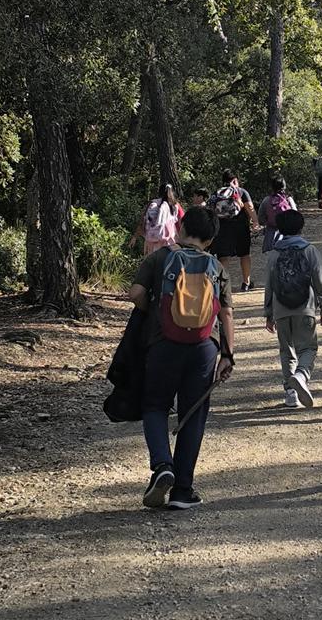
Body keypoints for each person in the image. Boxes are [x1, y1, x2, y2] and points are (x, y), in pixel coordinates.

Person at [128, 205, 235, 510]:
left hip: (163, 344)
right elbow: (226, 312)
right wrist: (228, 354)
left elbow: (135, 293)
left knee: (155, 405)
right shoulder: (217, 268)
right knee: (193, 413)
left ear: (181, 227)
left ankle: (163, 465)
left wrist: (155, 316)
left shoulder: (160, 257)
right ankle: (182, 491)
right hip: (204, 346)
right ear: (211, 239)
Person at [264, 210, 322, 409]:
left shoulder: (275, 253)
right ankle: (301, 374)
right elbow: (319, 279)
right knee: (308, 347)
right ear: (301, 227)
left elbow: (269, 284)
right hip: (305, 307)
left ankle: (290, 393)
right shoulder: (309, 250)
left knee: (286, 350)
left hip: (281, 308)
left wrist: (268, 313)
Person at [209, 171, 260, 292]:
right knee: (244, 254)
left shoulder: (217, 193)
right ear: (235, 180)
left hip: (222, 228)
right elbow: (250, 208)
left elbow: (211, 210)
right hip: (241, 227)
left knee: (224, 256)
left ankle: (222, 284)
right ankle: (246, 283)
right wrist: (255, 222)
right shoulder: (241, 192)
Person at [131, 183, 180, 256]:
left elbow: (142, 221)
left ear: (159, 192)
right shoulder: (174, 206)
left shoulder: (153, 204)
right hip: (169, 244)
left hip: (152, 243)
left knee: (152, 265)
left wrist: (135, 237)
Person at [257, 176, 297, 253]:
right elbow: (296, 215)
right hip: (288, 234)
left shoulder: (267, 200)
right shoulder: (288, 199)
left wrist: (268, 223)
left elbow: (260, 218)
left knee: (272, 260)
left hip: (271, 235)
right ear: (284, 186)